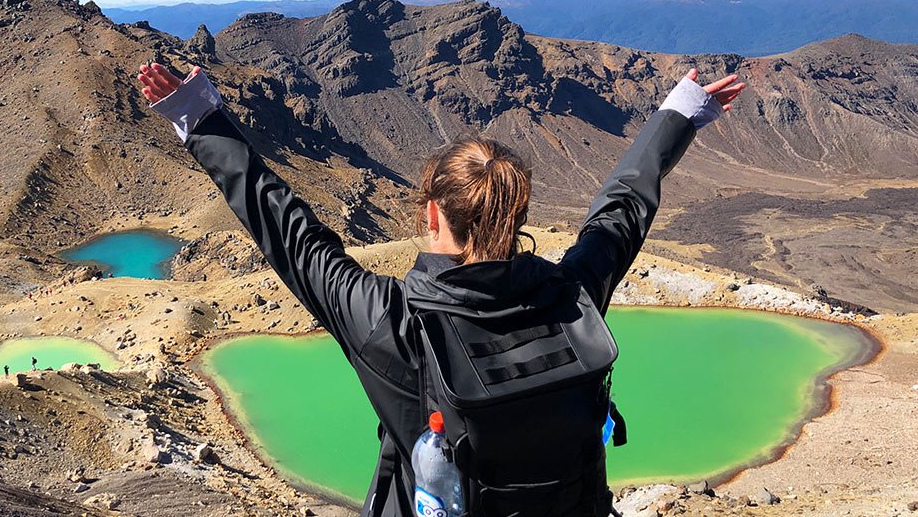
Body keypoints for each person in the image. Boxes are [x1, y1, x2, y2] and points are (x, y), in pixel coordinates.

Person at [138, 62, 743, 516]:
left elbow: (289, 232)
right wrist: (677, 115)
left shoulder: (392, 323)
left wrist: (198, 117)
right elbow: (622, 209)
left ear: (431, 215)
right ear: (517, 212)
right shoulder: (572, 297)